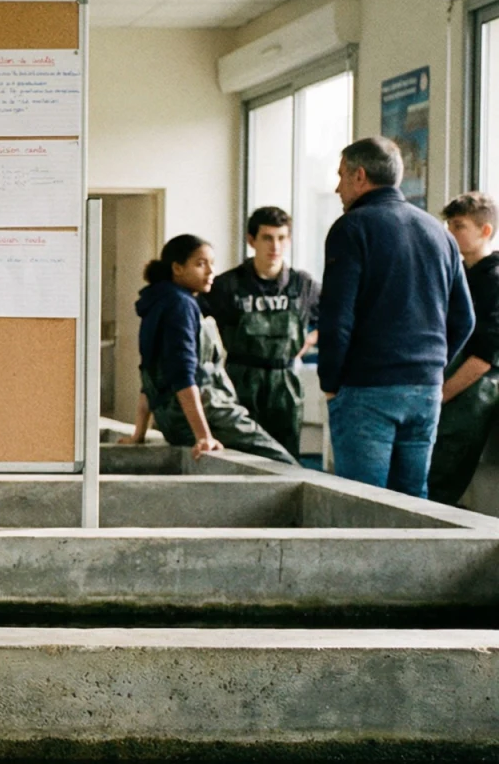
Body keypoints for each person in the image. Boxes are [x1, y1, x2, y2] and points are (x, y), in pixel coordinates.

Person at [320, 136, 474, 497]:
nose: (336, 187)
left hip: (367, 389)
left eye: (341, 176)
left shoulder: (352, 228)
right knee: (412, 504)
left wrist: (331, 382)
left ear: (360, 176)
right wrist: (430, 367)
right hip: (425, 390)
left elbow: (337, 318)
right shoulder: (440, 234)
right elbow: (464, 319)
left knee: (363, 503)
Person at [120, 233, 296, 464]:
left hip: (172, 422)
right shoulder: (180, 305)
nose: (210, 271)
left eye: (212, 263)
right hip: (208, 414)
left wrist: (139, 434)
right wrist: (204, 437)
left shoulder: (158, 302)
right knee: (284, 463)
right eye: (200, 264)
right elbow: (182, 375)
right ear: (178, 268)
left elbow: (149, 374)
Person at [200, 207, 320, 460]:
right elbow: (191, 319)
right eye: (267, 238)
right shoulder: (226, 285)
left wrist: (310, 339)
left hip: (284, 382)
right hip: (239, 381)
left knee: (285, 457)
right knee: (238, 456)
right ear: (251, 240)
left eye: (281, 238)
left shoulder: (303, 285)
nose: (274, 246)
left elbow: (337, 318)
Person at [427, 192, 499, 504]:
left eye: (459, 226)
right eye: (448, 225)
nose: (449, 233)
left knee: (441, 480)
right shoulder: (459, 274)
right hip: (449, 381)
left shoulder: (493, 280)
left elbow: (485, 355)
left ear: (485, 231)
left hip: (471, 389)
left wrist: (442, 394)